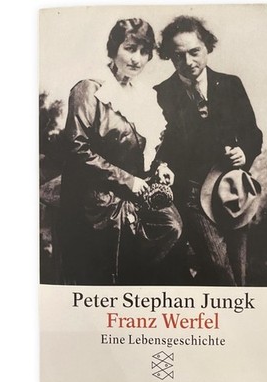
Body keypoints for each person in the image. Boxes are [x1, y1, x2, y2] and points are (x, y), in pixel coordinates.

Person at [59, 18, 182, 285]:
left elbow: (147, 146)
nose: (136, 59)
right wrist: (128, 181)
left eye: (144, 52)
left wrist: (160, 166)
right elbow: (77, 150)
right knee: (109, 272)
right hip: (96, 198)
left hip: (135, 193)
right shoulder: (89, 90)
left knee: (171, 227)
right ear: (114, 48)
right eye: (130, 48)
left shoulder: (144, 95)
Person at [153, 16, 263, 286]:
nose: (188, 61)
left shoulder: (231, 84)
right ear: (169, 56)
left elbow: (252, 133)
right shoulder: (160, 94)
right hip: (191, 194)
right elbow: (159, 145)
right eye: (178, 56)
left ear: (207, 47)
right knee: (219, 270)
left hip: (233, 190)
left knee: (238, 273)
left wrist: (244, 152)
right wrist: (162, 164)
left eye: (194, 52)